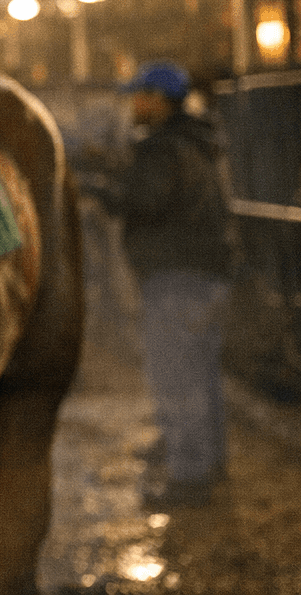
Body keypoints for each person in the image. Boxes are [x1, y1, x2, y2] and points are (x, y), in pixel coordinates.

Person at [115, 61, 238, 508]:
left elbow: (144, 200)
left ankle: (189, 478)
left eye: (139, 96)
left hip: (175, 278)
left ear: (158, 99)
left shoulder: (162, 147)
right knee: (202, 374)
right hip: (207, 275)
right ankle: (208, 458)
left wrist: (101, 188)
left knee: (176, 377)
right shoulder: (198, 140)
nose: (134, 104)